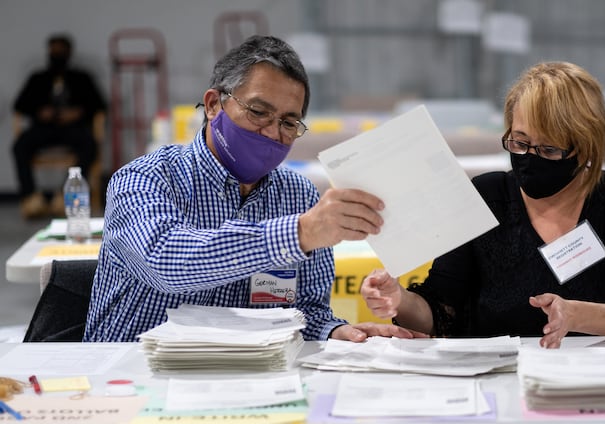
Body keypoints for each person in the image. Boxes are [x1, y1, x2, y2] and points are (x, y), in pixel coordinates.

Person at [84, 35, 425, 343]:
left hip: (245, 378)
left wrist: (335, 331)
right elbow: (166, 263)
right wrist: (299, 233)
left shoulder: (299, 197)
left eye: (289, 122)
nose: (272, 133)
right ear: (215, 104)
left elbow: (303, 311)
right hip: (131, 374)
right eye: (259, 112)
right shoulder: (145, 178)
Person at [361, 61, 605, 349]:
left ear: (586, 148)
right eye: (519, 142)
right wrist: (399, 300)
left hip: (604, 377)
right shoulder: (485, 197)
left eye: (549, 149)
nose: (528, 158)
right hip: (495, 378)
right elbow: (442, 310)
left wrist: (578, 316)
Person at [12, 34, 105, 219]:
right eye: (53, 51)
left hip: (73, 128)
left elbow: (99, 104)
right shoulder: (38, 78)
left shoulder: (82, 78)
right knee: (19, 145)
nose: (57, 55)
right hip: (44, 128)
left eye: (61, 51)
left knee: (90, 145)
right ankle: (31, 198)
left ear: (69, 52)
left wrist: (77, 112)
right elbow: (19, 105)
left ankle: (65, 196)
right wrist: (39, 111)